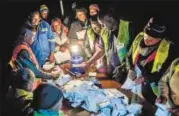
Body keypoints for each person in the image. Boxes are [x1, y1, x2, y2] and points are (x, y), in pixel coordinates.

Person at [125, 17, 177, 104]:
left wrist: (145, 78)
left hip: (154, 92)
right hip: (136, 87)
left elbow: (164, 74)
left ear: (160, 39)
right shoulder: (139, 38)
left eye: (151, 39)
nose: (147, 41)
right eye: (145, 36)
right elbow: (128, 56)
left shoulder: (168, 49)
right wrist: (130, 68)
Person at [81, 8, 132, 78]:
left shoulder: (128, 27)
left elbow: (133, 53)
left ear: (110, 19)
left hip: (126, 71)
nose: (103, 26)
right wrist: (89, 62)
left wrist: (125, 69)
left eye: (103, 24)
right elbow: (100, 50)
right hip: (111, 69)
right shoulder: (105, 31)